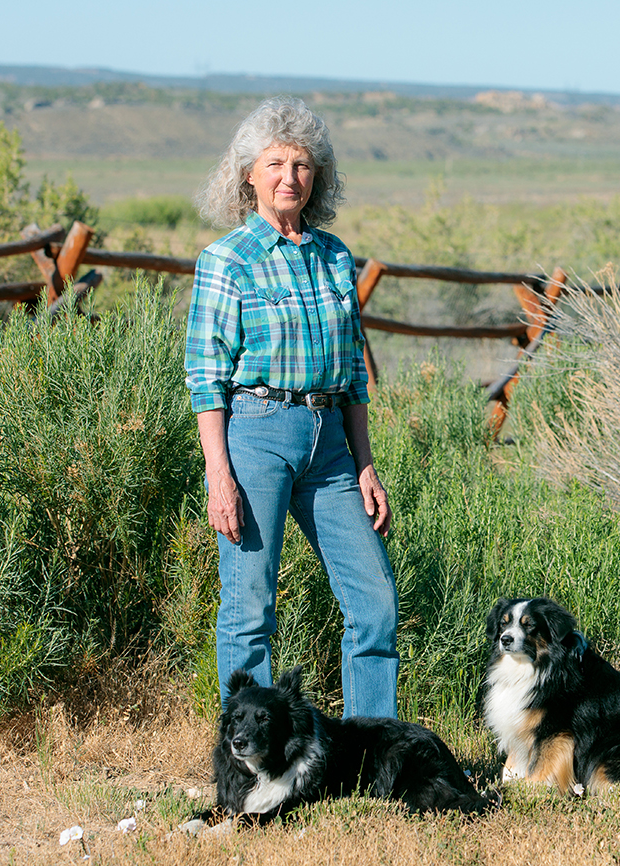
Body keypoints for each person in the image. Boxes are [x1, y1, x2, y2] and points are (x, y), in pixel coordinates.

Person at [185, 96, 397, 717]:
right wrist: (217, 473)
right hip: (256, 435)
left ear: (317, 176)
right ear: (247, 174)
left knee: (375, 602)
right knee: (249, 607)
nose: (289, 177)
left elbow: (354, 371)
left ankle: (369, 750)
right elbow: (205, 376)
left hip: (331, 443)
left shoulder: (334, 256)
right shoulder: (226, 260)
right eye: (274, 163)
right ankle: (249, 762)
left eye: (302, 164)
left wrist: (364, 464)